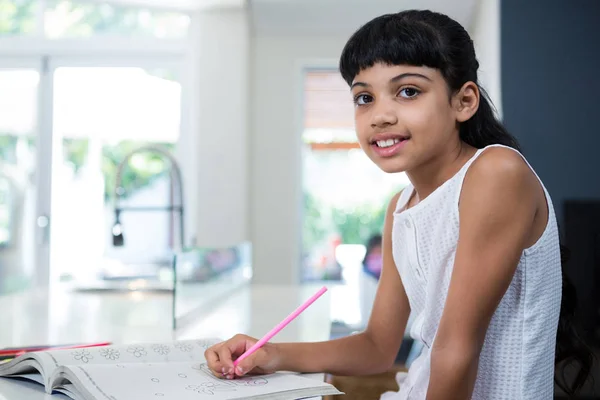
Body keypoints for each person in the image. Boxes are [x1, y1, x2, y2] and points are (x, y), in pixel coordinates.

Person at [205, 10, 593, 399]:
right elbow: (377, 347)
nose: (380, 115)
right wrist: (269, 353)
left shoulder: (495, 173)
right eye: (364, 97)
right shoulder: (401, 208)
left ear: (464, 101)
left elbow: (456, 350)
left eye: (408, 91)